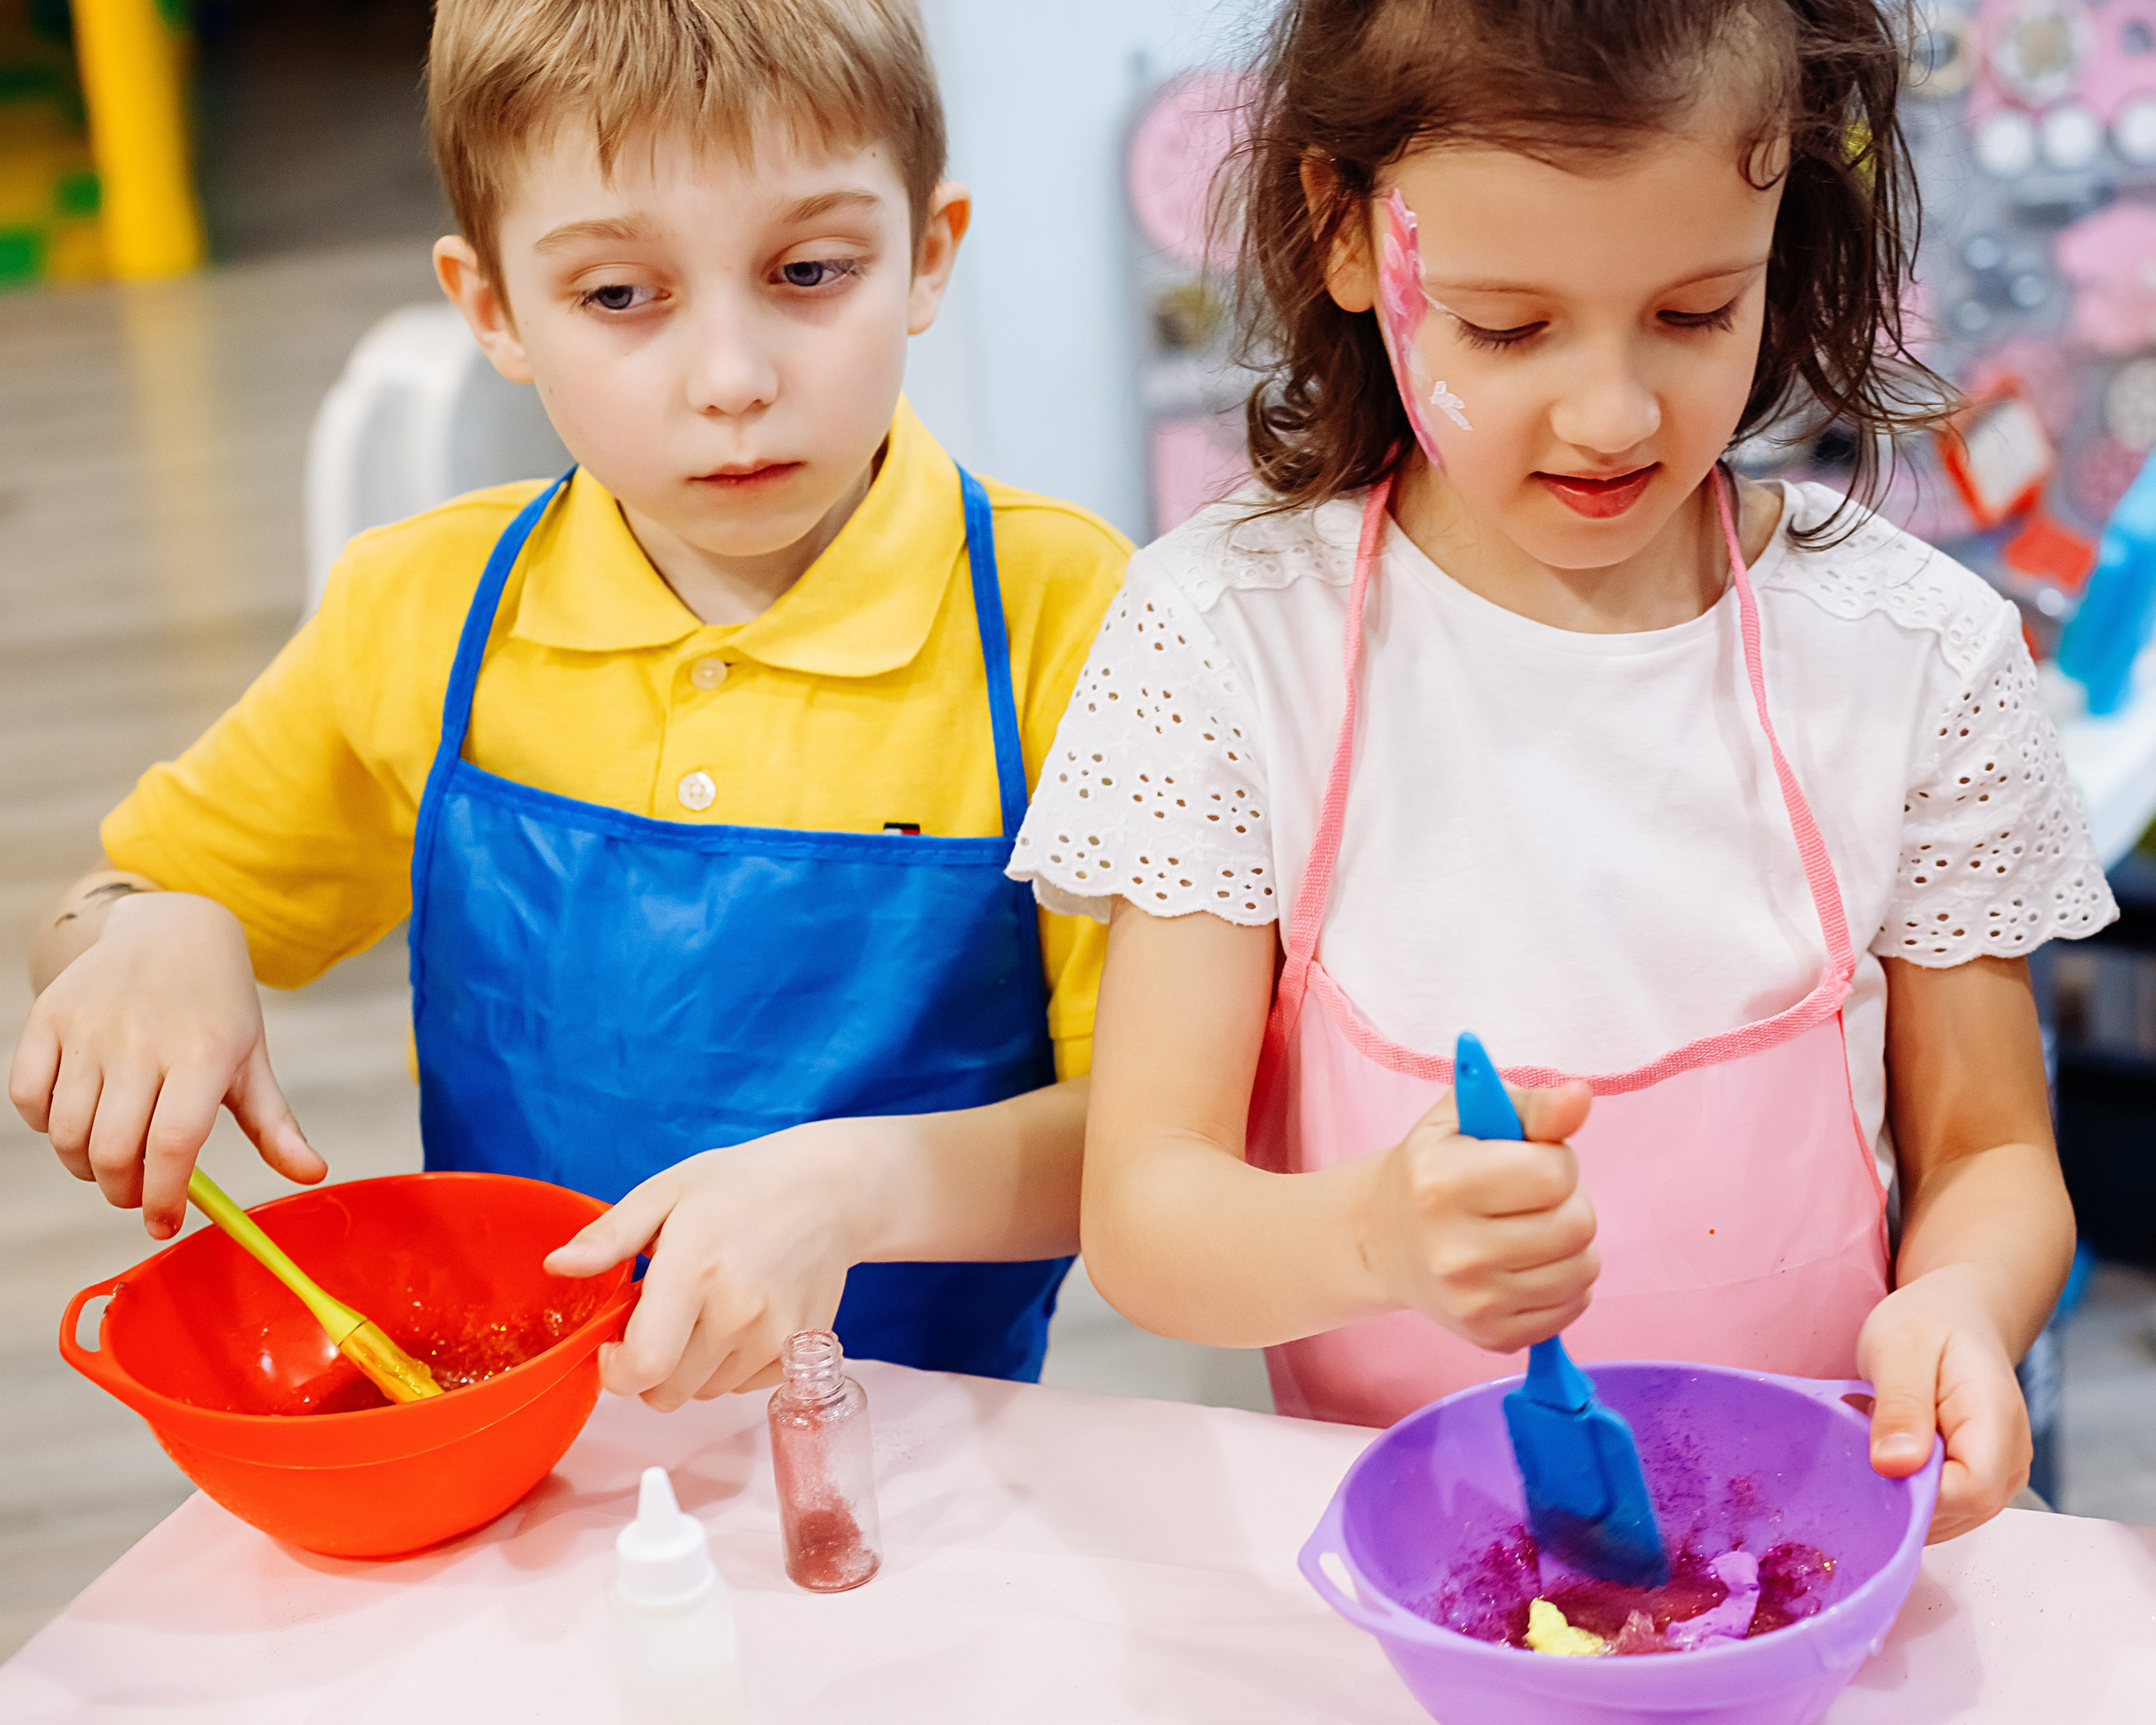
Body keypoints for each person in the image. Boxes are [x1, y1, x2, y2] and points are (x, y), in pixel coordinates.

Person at [1011, 0, 2108, 1542]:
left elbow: (1991, 1151)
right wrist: (1371, 1238)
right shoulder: (1228, 639)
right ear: (1344, 230)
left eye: (1696, 313)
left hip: (1814, 1528)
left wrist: (1963, 1303)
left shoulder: (1909, 653)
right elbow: (1144, 1215)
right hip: (1423, 1560)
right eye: (1509, 328)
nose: (1612, 415)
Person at [10, 0, 1129, 1409]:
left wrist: (861, 1186)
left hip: (923, 1466)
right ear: (492, 310)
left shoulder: (1070, 623)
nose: (733, 381)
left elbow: (1149, 1152)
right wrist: (150, 930)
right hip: (518, 1454)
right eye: (618, 296)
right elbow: (93, 915)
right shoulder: (418, 614)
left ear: (929, 255)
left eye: (809, 270)